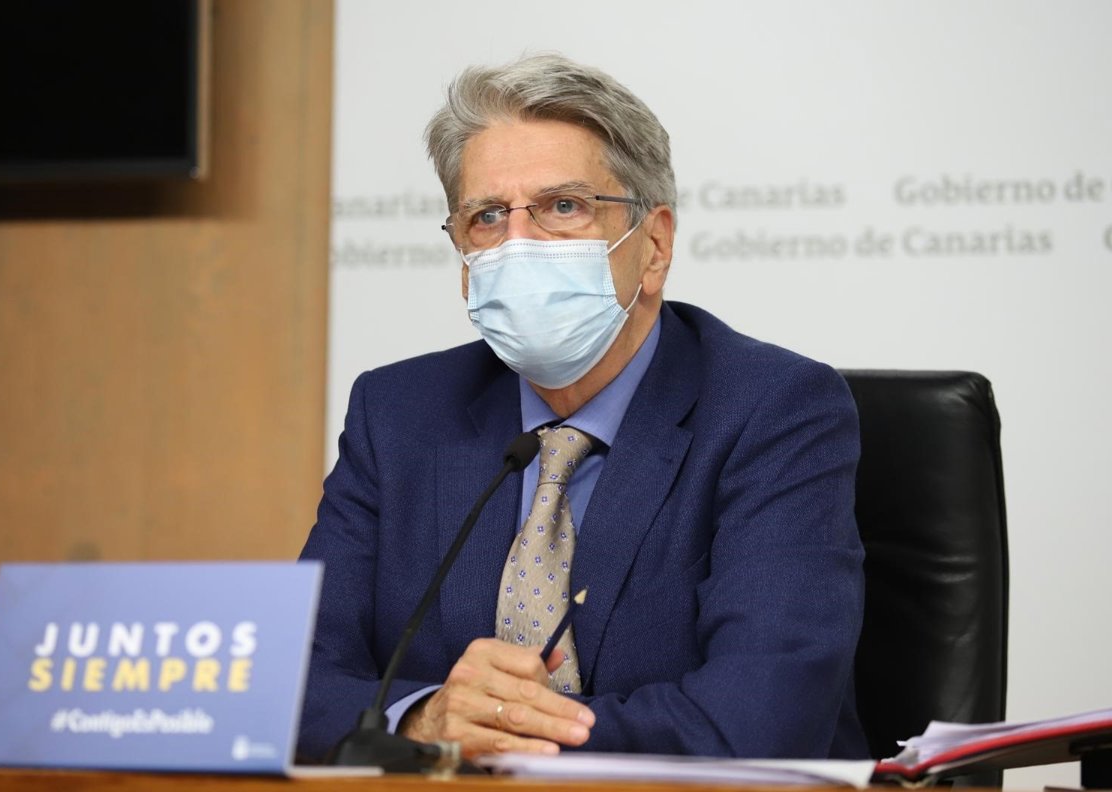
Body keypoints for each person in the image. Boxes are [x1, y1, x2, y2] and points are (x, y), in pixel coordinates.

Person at [298, 54, 867, 761]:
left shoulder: (774, 410)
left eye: (563, 207)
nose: (519, 245)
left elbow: (762, 716)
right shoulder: (398, 415)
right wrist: (422, 720)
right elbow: (292, 683)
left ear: (654, 245)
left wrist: (503, 734)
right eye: (487, 217)